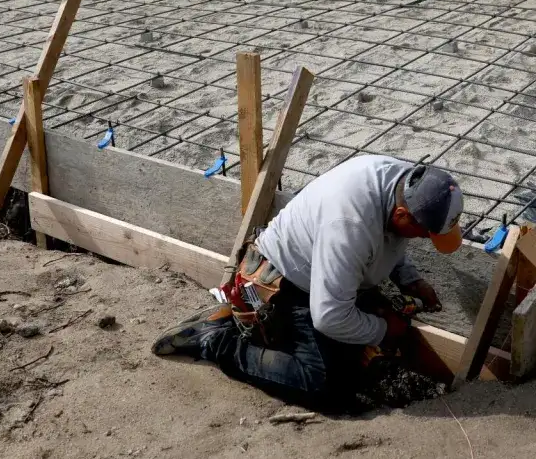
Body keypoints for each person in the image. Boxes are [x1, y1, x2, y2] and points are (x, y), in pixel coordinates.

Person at [151, 155, 464, 409]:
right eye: (425, 233)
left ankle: (238, 324)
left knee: (364, 351)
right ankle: (219, 341)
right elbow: (330, 317)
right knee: (325, 386)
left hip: (328, 272)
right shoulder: (349, 224)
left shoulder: (405, 182)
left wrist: (408, 279)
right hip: (285, 282)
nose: (425, 239)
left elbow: (391, 240)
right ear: (402, 215)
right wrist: (385, 329)